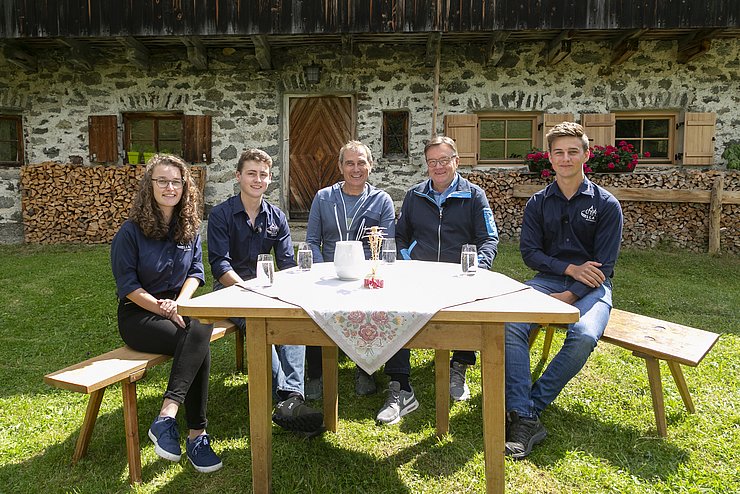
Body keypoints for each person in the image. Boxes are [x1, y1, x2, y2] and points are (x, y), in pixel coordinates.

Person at [504, 122, 623, 459]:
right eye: (559, 152)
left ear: (586, 155)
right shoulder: (538, 203)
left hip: (594, 285)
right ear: (550, 158)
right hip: (546, 280)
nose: (566, 158)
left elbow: (604, 265)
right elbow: (530, 254)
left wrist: (571, 295)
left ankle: (526, 410)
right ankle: (523, 412)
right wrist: (569, 269)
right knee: (510, 321)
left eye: (573, 151)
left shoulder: (606, 204)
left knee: (584, 335)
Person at [376, 135, 499, 425]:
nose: (438, 166)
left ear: (456, 161)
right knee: (397, 312)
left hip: (460, 275)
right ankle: (400, 385)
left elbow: (488, 238)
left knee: (472, 307)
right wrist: (408, 262)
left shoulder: (475, 195)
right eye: (432, 162)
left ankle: (459, 365)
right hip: (420, 273)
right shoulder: (414, 195)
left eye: (444, 160)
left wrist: (477, 269)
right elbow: (401, 235)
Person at [110, 154, 223, 473]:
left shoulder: (189, 226)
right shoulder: (130, 232)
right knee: (197, 341)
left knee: (200, 327)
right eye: (162, 181)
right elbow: (128, 286)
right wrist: (163, 307)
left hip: (177, 308)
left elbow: (197, 272)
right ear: (150, 185)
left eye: (176, 181)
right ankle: (197, 434)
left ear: (185, 186)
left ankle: (167, 416)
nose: (170, 187)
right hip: (139, 315)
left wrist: (180, 305)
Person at [207, 148, 324, 435]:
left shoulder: (277, 217)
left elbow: (285, 265)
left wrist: (282, 293)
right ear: (238, 177)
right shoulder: (221, 215)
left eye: (263, 175)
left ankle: (291, 400)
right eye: (251, 174)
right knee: (262, 331)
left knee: (294, 323)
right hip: (230, 290)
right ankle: (290, 402)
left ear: (269, 179)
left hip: (268, 289)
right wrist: (249, 289)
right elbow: (219, 265)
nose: (257, 180)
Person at [304, 140, 396, 399]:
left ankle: (365, 369)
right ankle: (316, 373)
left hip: (367, 275)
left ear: (371, 165)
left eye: (361, 163)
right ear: (340, 166)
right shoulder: (323, 197)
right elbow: (312, 240)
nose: (356, 169)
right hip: (328, 272)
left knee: (371, 308)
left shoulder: (382, 200)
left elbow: (387, 243)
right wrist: (322, 271)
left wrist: (370, 272)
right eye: (350, 163)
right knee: (313, 310)